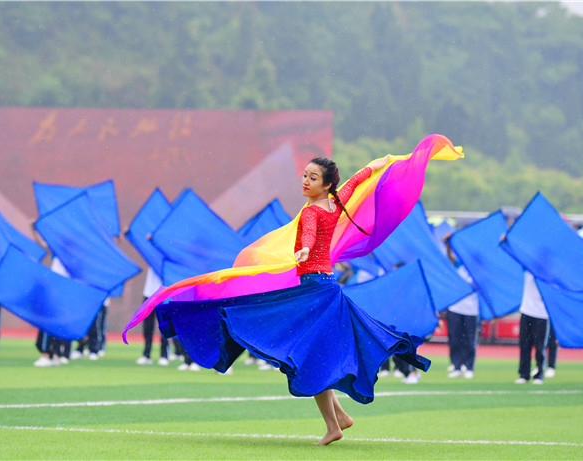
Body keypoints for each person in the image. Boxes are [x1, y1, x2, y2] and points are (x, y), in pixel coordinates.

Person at [152, 155, 431, 445]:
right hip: (326, 288)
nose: (306, 181)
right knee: (315, 355)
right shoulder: (335, 204)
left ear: (326, 185)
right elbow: (356, 181)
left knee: (305, 356)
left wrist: (305, 250)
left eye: (313, 177)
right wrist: (378, 165)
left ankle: (334, 426)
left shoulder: (313, 211)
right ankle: (340, 419)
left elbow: (310, 232)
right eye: (305, 175)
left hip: (315, 291)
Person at [515, 271, 549, 385]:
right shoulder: (527, 269)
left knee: (540, 346)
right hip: (526, 311)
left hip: (542, 314)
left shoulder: (548, 274)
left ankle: (539, 374)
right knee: (524, 344)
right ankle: (524, 374)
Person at [136, 268, 170, 366]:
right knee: (147, 327)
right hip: (149, 294)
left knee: (164, 326)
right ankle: (146, 354)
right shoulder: (152, 258)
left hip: (163, 295)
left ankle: (164, 355)